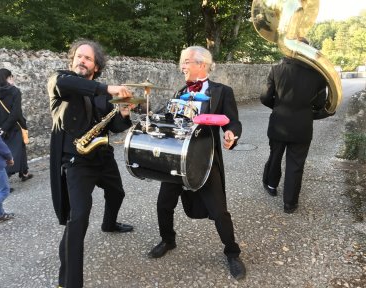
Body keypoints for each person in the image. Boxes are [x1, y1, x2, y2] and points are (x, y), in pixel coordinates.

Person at [148, 46, 246, 280]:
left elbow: (233, 122)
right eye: (182, 62)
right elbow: (164, 118)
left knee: (219, 211)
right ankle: (168, 240)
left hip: (205, 160)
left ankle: (232, 253)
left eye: (186, 62)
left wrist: (232, 134)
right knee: (164, 204)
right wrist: (144, 107)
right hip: (177, 159)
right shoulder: (180, 92)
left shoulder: (222, 92)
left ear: (201, 64)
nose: (181, 66)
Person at [47, 39, 135, 288]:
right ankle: (68, 282)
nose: (81, 61)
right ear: (72, 60)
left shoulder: (100, 96)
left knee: (117, 193)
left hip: (102, 156)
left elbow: (114, 127)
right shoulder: (60, 81)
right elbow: (69, 83)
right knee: (79, 218)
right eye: (78, 56)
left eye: (87, 58)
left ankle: (109, 224)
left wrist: (124, 114)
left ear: (96, 66)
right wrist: (109, 88)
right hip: (77, 162)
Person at [260, 37, 334, 214]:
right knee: (296, 165)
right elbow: (320, 104)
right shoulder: (318, 76)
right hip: (303, 126)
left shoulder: (276, 70)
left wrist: (278, 107)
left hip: (279, 122)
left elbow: (264, 97)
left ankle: (271, 186)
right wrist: (307, 114)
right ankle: (290, 204)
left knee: (275, 155)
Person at [0, 68, 33, 182]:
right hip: (14, 126)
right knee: (12, 152)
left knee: (17, 148)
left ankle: (24, 172)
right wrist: (6, 127)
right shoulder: (15, 91)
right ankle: (4, 179)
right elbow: (16, 112)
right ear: (9, 77)